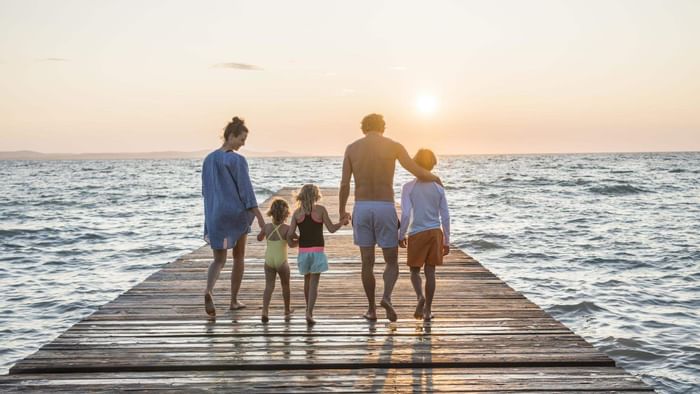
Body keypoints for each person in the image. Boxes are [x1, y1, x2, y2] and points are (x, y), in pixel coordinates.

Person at [339, 114, 442, 322]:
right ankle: (386, 297)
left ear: (363, 128)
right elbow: (416, 171)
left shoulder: (352, 148)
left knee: (366, 261)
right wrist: (435, 178)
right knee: (391, 261)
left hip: (362, 206)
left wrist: (342, 211)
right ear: (383, 127)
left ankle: (371, 310)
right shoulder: (394, 146)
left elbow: (344, 184)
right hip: (385, 206)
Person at [202, 116, 265, 317]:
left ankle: (208, 290)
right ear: (231, 136)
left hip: (214, 215)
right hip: (235, 214)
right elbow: (246, 191)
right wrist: (260, 217)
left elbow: (206, 190)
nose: (243, 144)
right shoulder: (237, 160)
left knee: (218, 259)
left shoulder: (208, 159)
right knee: (238, 257)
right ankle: (233, 300)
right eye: (242, 139)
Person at [398, 149, 450, 321]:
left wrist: (401, 234)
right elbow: (446, 215)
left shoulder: (408, 187)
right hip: (435, 232)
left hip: (417, 232)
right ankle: (428, 311)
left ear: (415, 164)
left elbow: (405, 214)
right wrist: (447, 240)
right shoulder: (438, 187)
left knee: (414, 271)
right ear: (433, 164)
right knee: (431, 272)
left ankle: (420, 296)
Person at [287, 184, 349, 325]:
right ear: (316, 196)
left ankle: (307, 310)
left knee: (306, 281)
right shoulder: (320, 210)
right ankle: (309, 312)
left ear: (301, 196)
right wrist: (343, 222)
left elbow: (290, 234)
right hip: (318, 252)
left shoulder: (297, 213)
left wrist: (296, 242)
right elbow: (332, 229)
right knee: (314, 284)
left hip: (303, 252)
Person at [257, 198, 296, 323]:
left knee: (269, 286)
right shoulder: (287, 228)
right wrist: (299, 240)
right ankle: (287, 309)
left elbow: (259, 238)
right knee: (285, 286)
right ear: (286, 214)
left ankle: (265, 310)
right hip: (282, 262)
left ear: (271, 213)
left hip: (269, 260)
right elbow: (291, 244)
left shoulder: (267, 227)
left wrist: (263, 232)